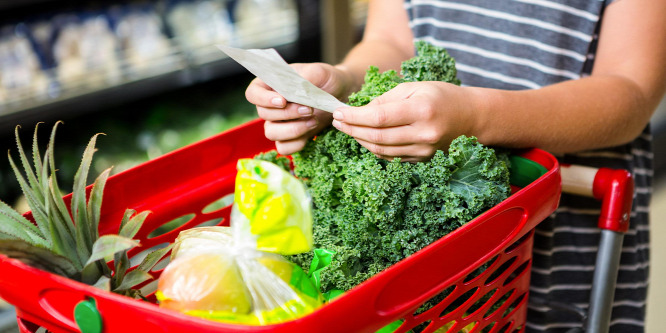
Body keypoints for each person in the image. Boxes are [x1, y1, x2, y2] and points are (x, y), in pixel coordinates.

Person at [245, 0, 666, 332]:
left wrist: (476, 119)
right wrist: (344, 80)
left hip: (563, 241)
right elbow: (391, 40)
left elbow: (630, 93)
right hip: (429, 259)